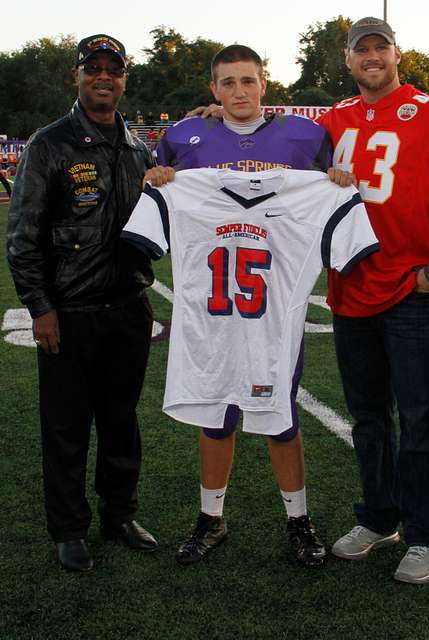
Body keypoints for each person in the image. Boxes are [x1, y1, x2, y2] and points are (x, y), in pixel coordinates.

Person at [147, 44, 347, 569]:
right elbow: (156, 191)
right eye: (228, 83)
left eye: (248, 81)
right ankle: (211, 518)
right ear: (213, 89)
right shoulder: (185, 139)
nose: (239, 92)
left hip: (272, 306)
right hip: (213, 310)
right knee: (216, 415)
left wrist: (338, 185)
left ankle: (298, 520)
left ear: (265, 84)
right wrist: (157, 178)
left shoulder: (304, 138)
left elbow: (329, 194)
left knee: (279, 416)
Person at [316, 17, 429, 583]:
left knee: (420, 419)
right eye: (360, 50)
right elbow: (268, 143)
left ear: (396, 55)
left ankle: (425, 534)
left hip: (411, 292)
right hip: (350, 289)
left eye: (379, 48)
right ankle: (379, 517)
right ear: (347, 59)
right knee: (367, 418)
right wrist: (212, 117)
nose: (371, 57)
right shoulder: (333, 120)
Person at [6, 34, 158, 573]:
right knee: (67, 428)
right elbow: (23, 238)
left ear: (123, 79)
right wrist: (40, 308)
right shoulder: (50, 144)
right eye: (92, 68)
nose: (103, 77)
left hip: (128, 308)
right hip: (68, 313)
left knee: (122, 422)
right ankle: (69, 529)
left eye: (112, 70)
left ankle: (119, 514)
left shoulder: (138, 146)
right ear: (77, 76)